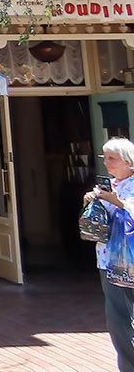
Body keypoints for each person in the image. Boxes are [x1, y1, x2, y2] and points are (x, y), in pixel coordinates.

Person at [84, 137, 134, 371]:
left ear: (129, 162)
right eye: (105, 158)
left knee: (123, 318)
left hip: (129, 261)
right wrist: (92, 202)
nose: (107, 163)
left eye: (112, 158)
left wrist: (111, 199)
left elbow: (130, 209)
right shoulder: (109, 185)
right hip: (108, 261)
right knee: (117, 318)